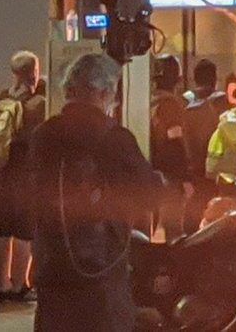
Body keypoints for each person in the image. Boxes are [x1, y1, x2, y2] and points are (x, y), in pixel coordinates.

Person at [30, 54, 163, 332]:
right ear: (105, 93)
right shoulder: (114, 137)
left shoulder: (44, 135)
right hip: (100, 267)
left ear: (69, 91)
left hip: (52, 260)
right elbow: (149, 195)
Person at [0, 51, 46, 302]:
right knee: (26, 230)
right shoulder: (37, 103)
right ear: (33, 71)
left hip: (3, 171)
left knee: (5, 230)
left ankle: (2, 283)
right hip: (26, 172)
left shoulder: (3, 98)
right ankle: (21, 285)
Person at [182, 59, 229, 232]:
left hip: (195, 173)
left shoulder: (185, 105)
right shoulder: (223, 104)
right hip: (220, 173)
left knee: (192, 223)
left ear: (194, 79)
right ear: (215, 79)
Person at [150, 55, 190, 240]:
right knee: (174, 232)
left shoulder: (149, 101)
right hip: (169, 176)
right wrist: (184, 178)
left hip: (151, 171)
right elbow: (175, 140)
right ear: (178, 80)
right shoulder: (170, 105)